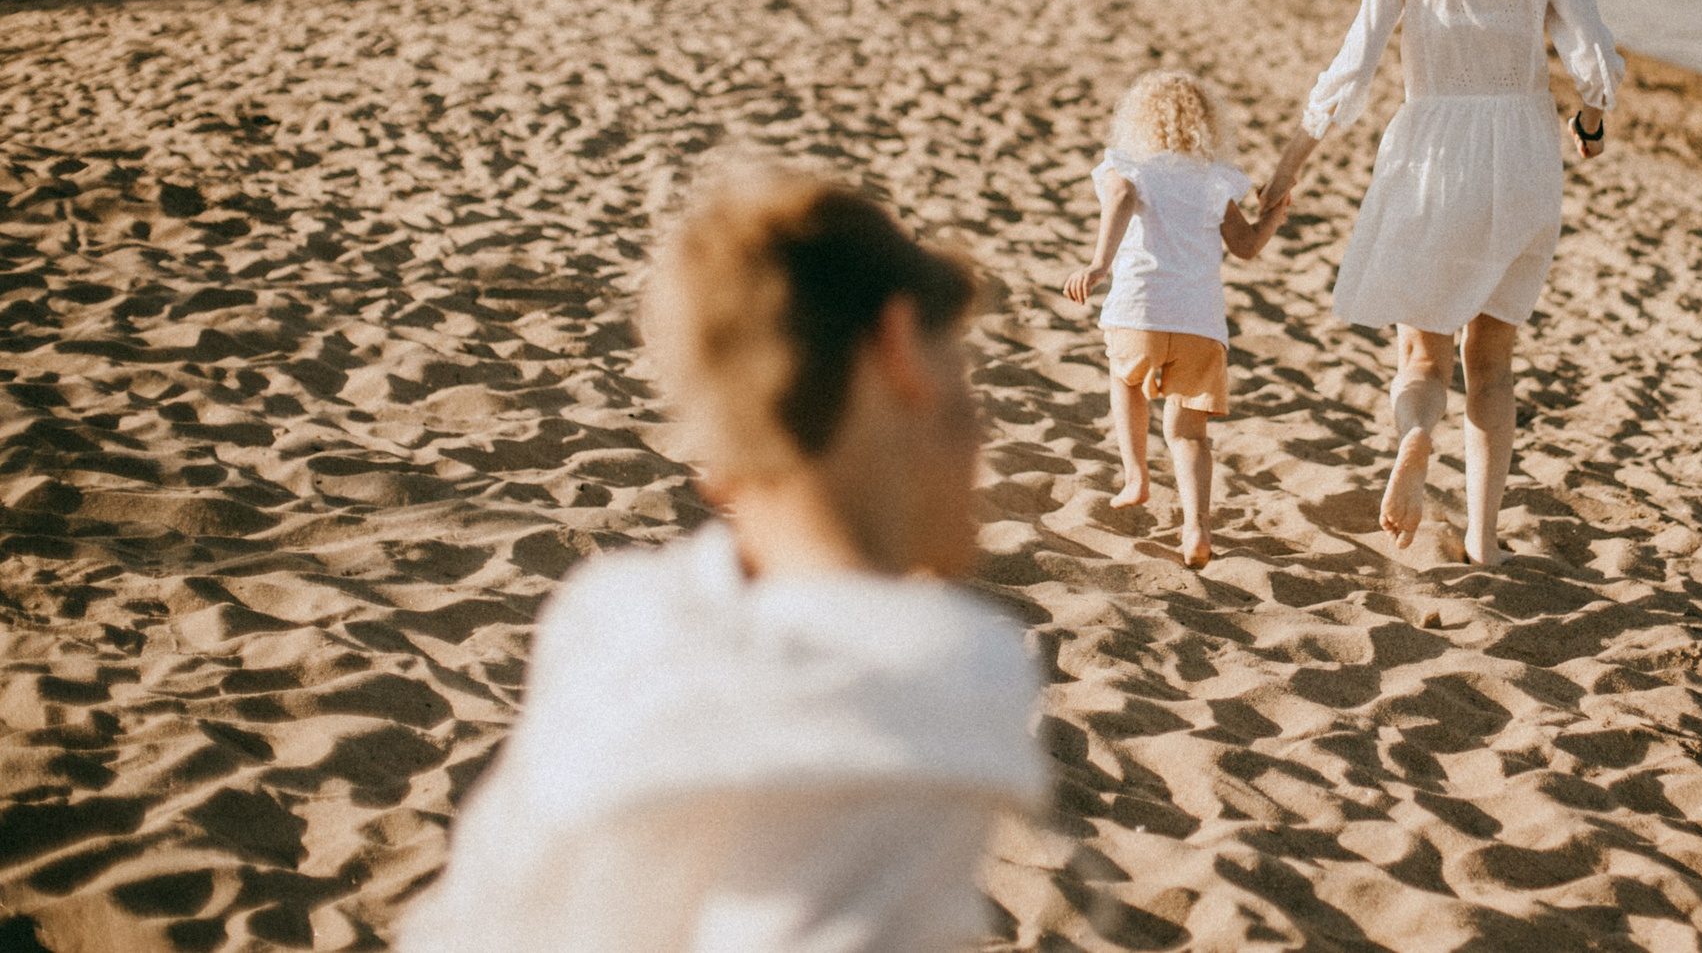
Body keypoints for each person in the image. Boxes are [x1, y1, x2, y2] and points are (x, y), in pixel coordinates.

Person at [402, 172, 1044, 953]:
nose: (980, 428)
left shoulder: (605, 612)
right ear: (900, 345)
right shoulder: (949, 666)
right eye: (962, 371)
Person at [1261, 0, 1622, 566]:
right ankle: (1485, 541)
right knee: (1491, 363)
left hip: (1431, 152)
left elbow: (1352, 71)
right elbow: (1594, 62)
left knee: (1420, 359)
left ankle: (1417, 435)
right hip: (1522, 156)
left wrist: (1290, 162)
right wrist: (1590, 123)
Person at [1061, 71, 1290, 569]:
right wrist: (1274, 215)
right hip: (1200, 323)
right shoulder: (1215, 180)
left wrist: (1100, 263)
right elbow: (1246, 247)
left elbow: (1120, 197)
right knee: (1189, 433)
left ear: (1138, 119)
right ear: (1208, 124)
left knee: (1125, 381)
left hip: (1140, 308)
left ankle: (1136, 475)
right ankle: (1196, 528)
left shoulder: (1128, 166)